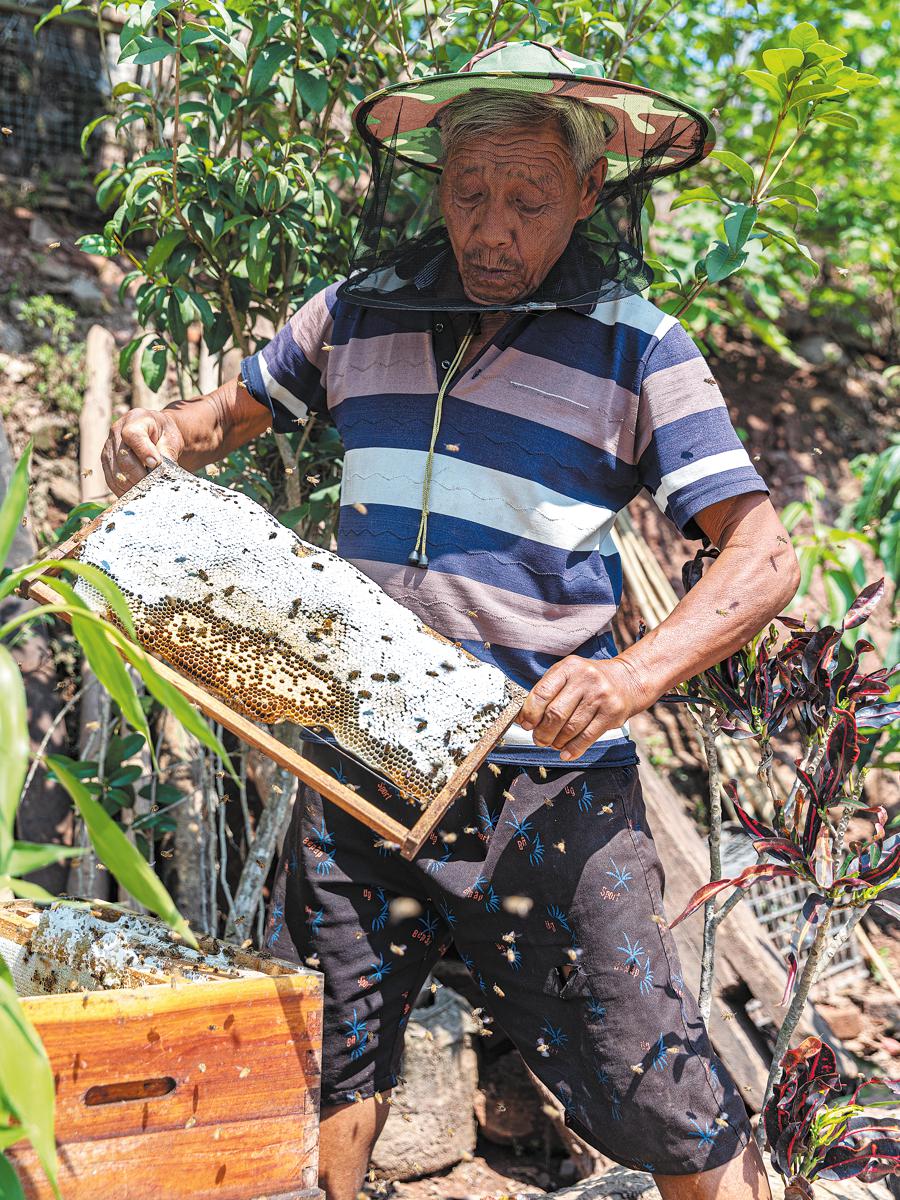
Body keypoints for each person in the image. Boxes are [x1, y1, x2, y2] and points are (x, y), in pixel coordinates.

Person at [103, 41, 796, 1200]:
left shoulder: (641, 344)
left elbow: (762, 554)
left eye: (529, 200)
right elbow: (223, 419)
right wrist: (160, 438)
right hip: (359, 757)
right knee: (336, 1046)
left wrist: (627, 679)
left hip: (545, 786)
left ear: (588, 196)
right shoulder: (352, 314)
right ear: (432, 186)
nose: (493, 228)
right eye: (470, 193)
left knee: (651, 1072)